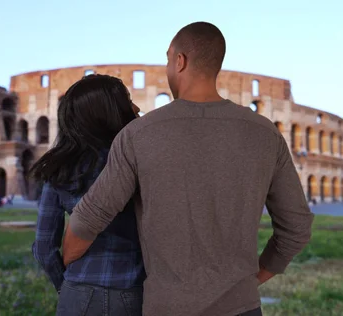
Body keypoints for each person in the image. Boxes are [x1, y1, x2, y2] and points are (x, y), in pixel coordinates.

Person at [62, 22, 314, 316]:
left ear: (180, 61)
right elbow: (297, 228)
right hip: (242, 306)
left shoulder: (138, 134)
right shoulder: (266, 134)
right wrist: (253, 280)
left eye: (168, 60)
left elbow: (88, 219)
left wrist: (68, 259)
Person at [30, 74, 146, 316]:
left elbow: (43, 247)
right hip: (132, 290)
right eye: (128, 101)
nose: (136, 107)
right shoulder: (139, 162)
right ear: (110, 111)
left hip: (78, 291)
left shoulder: (59, 168)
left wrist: (66, 285)